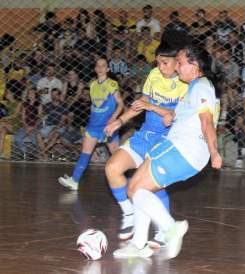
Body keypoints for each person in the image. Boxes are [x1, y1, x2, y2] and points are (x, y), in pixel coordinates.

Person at [111, 45, 222, 259]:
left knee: (134, 189)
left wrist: (214, 152)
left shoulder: (201, 87)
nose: (177, 68)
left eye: (180, 63)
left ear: (194, 65)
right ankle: (139, 245)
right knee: (142, 189)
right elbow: (187, 115)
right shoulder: (194, 88)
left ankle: (171, 229)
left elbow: (206, 121)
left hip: (182, 149)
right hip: (185, 152)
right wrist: (172, 116)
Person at [103, 42, 188, 241]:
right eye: (158, 62)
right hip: (145, 134)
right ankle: (129, 213)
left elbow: (175, 115)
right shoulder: (154, 75)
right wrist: (120, 121)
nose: (160, 67)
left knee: (154, 184)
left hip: (167, 139)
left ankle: (163, 229)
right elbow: (141, 104)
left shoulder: (186, 83)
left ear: (178, 62)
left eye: (165, 62)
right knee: (112, 168)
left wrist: (151, 105)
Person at [58, 58, 124, 190]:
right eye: (98, 65)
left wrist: (113, 118)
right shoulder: (92, 84)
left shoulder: (111, 84)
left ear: (107, 69)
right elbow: (94, 105)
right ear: (95, 68)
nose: (100, 68)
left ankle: (127, 182)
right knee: (85, 153)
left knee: (117, 155)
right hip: (93, 125)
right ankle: (74, 181)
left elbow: (121, 104)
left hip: (107, 126)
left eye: (103, 65)